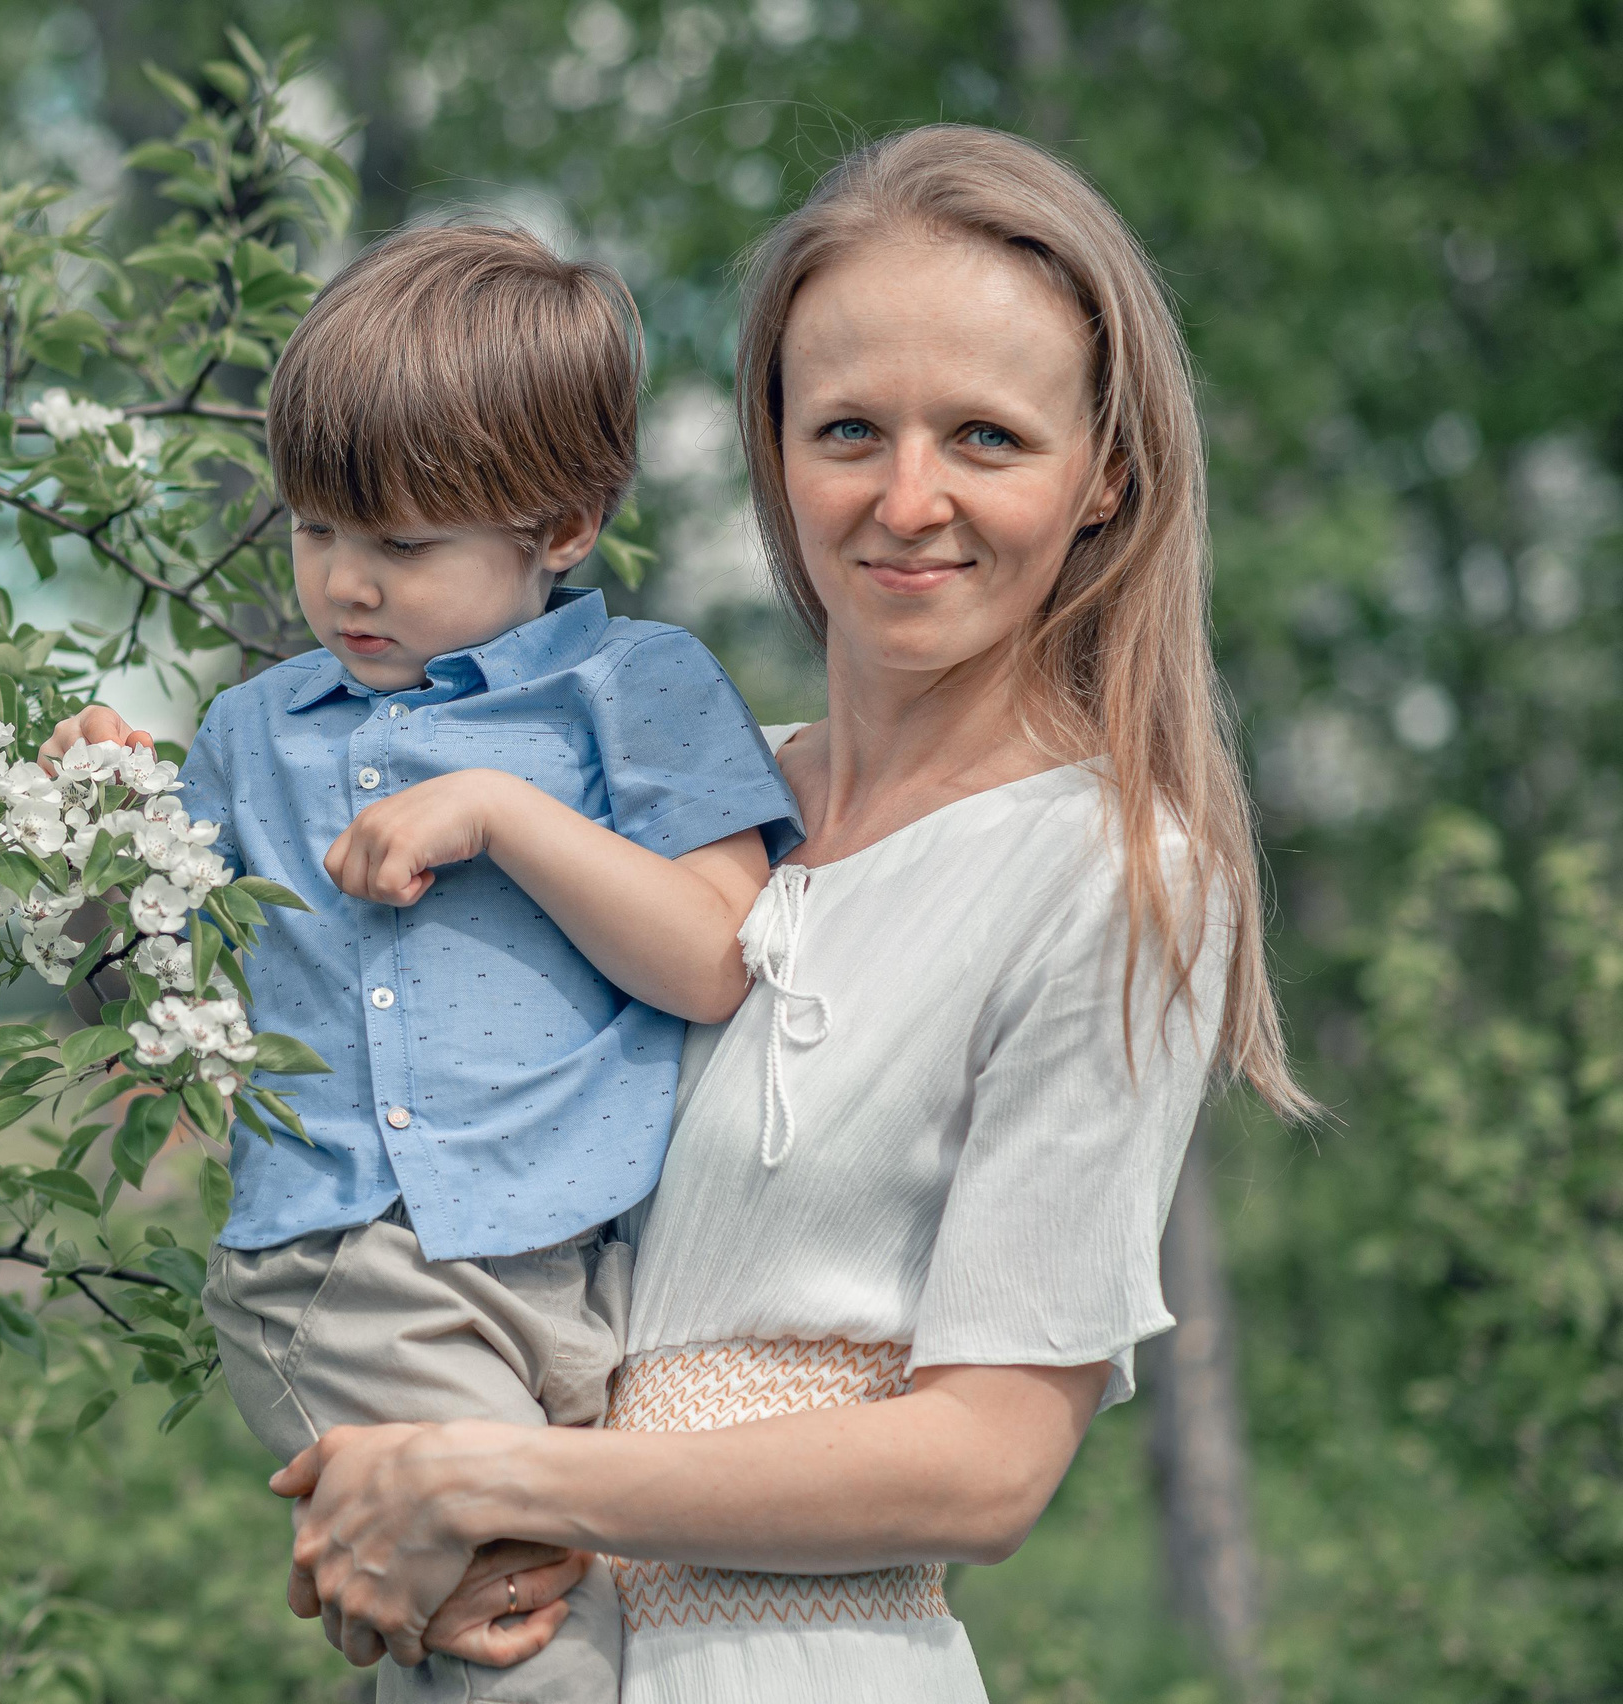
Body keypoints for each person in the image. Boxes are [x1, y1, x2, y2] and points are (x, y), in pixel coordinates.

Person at [266, 125, 1317, 1703]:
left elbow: (983, 1469)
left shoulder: (1115, 872)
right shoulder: (649, 813)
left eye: (985, 437)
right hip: (515, 1649)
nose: (908, 500)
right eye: (848, 430)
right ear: (771, 451)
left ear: (1106, 474)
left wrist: (483, 1482)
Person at [43, 222, 803, 1703]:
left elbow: (715, 958)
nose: (346, 584)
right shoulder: (252, 733)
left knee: (540, 1648)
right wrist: (99, 848)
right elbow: (156, 990)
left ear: (563, 524)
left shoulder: (637, 692)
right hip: (356, 1260)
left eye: (401, 545)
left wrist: (506, 816)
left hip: (585, 1271)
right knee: (546, 1669)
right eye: (314, 530)